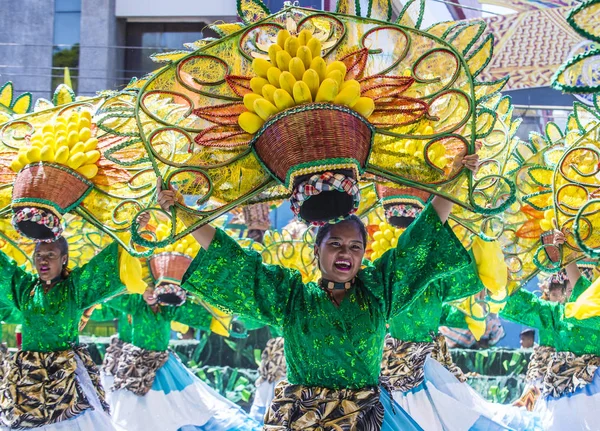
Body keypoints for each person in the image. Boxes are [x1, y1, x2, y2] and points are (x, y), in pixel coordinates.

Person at [162, 155, 479, 430]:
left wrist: (455, 180)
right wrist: (183, 213)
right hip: (303, 420)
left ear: (364, 254)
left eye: (355, 247)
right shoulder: (290, 297)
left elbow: (419, 242)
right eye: (336, 244)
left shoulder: (378, 290)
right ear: (317, 249)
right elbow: (238, 264)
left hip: (366, 420)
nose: (346, 253)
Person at [0, 235, 125, 430]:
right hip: (29, 376)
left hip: (65, 374)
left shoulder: (74, 288)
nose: (43, 260)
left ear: (64, 258)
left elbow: (104, 267)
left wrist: (134, 234)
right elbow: (4, 270)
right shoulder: (25, 289)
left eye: (51, 254)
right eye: (39, 254)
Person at [103, 286, 262, 431]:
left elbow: (197, 316)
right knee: (133, 411)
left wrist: (226, 325)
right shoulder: (134, 303)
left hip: (162, 367)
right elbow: (109, 297)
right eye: (147, 288)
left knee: (177, 409)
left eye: (154, 289)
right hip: (136, 367)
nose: (151, 293)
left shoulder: (168, 308)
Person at [500, 232, 600, 430]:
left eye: (578, 288)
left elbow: (586, 304)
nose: (573, 294)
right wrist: (498, 280)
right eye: (568, 290)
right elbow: (527, 306)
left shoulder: (594, 314)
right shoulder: (557, 314)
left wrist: (569, 258)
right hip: (558, 394)